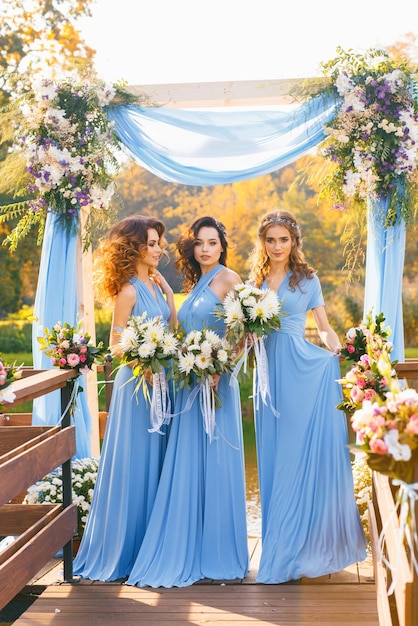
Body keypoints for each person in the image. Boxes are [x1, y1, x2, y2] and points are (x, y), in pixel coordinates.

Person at [126, 216, 249, 588]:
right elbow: (181, 330)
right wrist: (167, 296)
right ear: (193, 248)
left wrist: (218, 366)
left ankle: (218, 551)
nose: (206, 249)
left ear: (222, 247)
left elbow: (243, 331)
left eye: (212, 242)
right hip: (188, 381)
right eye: (200, 243)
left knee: (215, 461)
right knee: (188, 462)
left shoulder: (229, 279)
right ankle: (188, 544)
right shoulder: (194, 283)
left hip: (215, 382)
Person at [249, 210, 367, 584]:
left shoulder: (308, 279)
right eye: (271, 239)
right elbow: (244, 331)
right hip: (268, 377)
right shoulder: (254, 281)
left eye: (284, 239)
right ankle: (281, 548)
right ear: (263, 242)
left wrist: (337, 349)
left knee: (293, 458)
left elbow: (325, 328)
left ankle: (293, 554)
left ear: (294, 242)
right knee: (272, 460)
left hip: (302, 371)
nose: (278, 246)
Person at [73, 214, 177, 582]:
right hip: (136, 386)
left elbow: (172, 330)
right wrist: (143, 360)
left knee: (158, 463)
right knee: (136, 464)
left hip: (162, 383)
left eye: (158, 242)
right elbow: (116, 344)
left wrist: (168, 296)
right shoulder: (129, 290)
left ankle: (152, 544)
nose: (158, 248)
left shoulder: (154, 285)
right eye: (152, 243)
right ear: (134, 247)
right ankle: (125, 551)